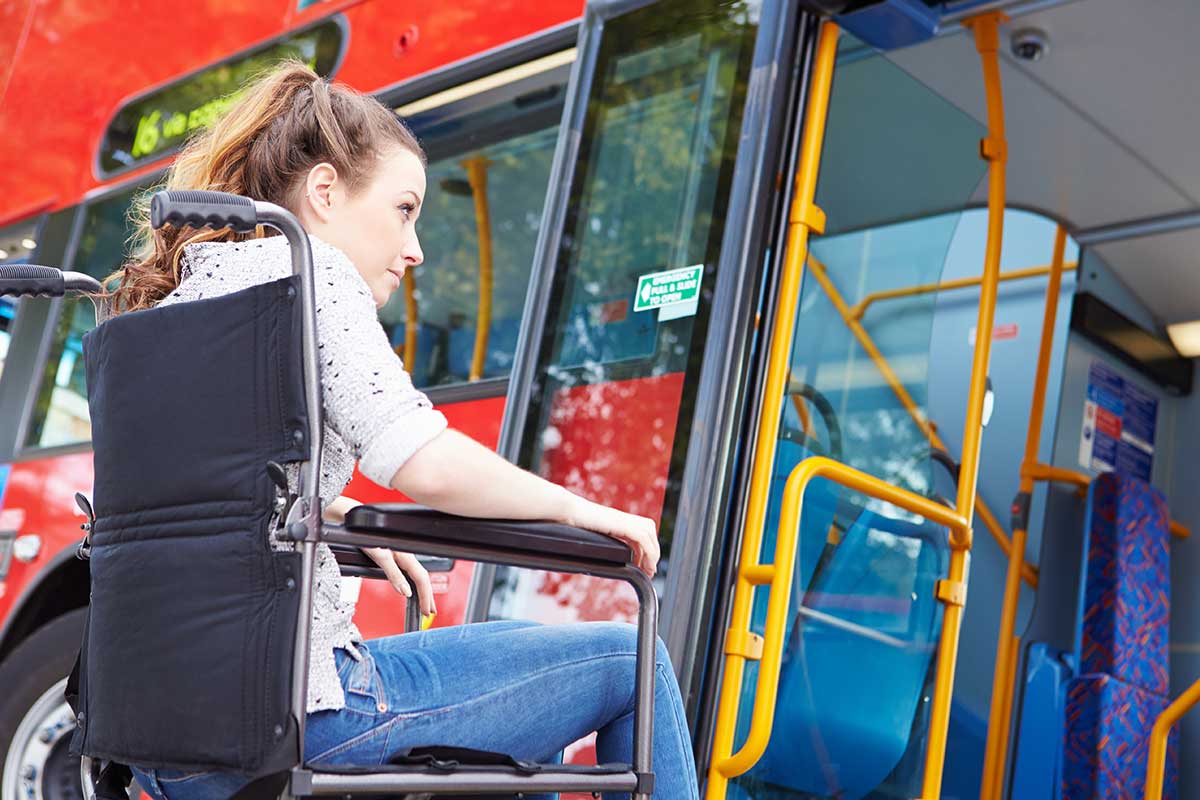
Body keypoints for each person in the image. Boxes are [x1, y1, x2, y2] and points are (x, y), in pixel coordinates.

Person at [99, 61, 699, 800]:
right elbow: (420, 459)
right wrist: (581, 509)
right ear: (324, 193)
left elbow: (196, 499)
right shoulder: (308, 270)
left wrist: (334, 511)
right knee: (629, 657)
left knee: (517, 656)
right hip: (307, 714)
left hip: (164, 737)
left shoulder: (181, 301)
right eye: (405, 209)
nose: (414, 250)